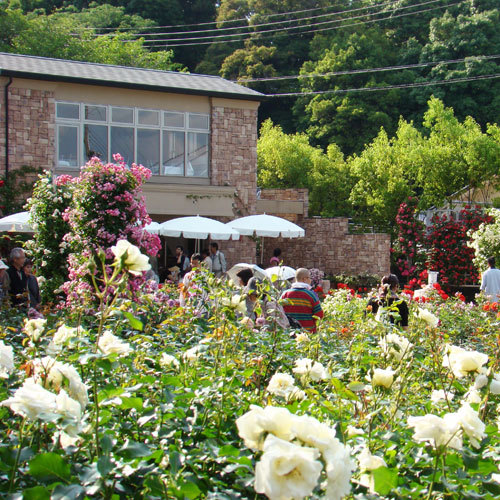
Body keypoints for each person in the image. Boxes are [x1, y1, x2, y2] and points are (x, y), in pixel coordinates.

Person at [280, 268, 324, 332]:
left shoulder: (285, 294)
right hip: (308, 333)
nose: (310, 280)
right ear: (304, 279)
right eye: (309, 278)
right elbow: (319, 314)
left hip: (289, 332)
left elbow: (279, 312)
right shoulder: (310, 295)